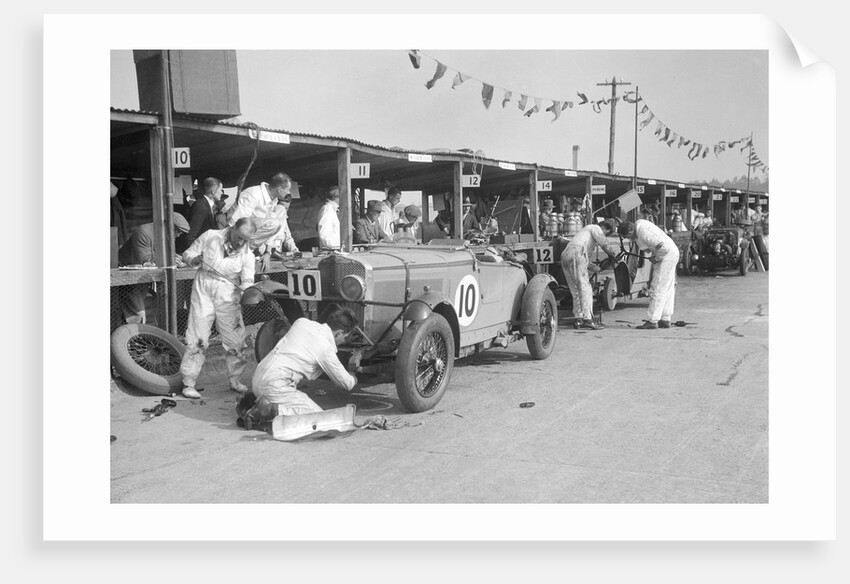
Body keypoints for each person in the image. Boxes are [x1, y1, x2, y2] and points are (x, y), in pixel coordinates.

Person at [238, 304, 359, 430]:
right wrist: (353, 374)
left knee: (307, 407)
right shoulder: (325, 348)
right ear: (340, 332)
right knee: (320, 419)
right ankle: (267, 412)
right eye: (345, 337)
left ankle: (252, 404)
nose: (343, 342)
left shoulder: (301, 323)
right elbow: (347, 383)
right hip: (276, 384)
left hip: (259, 375)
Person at [179, 218, 258, 399]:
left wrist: (246, 290)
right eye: (239, 237)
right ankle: (188, 383)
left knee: (235, 339)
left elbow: (247, 280)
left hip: (228, 292)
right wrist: (194, 259)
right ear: (232, 228)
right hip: (203, 286)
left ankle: (235, 380)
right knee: (198, 336)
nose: (240, 243)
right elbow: (187, 253)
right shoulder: (210, 236)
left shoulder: (248, 255)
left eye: (245, 240)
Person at [118, 213, 190, 324]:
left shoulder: (165, 235)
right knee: (137, 314)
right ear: (168, 225)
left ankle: (145, 337)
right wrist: (170, 259)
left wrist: (180, 258)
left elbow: (167, 253)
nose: (179, 235)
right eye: (178, 231)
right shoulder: (144, 232)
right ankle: (134, 338)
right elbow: (145, 259)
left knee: (150, 313)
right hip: (128, 280)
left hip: (143, 280)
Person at [617, 220, 680, 330]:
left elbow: (664, 248)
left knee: (658, 287)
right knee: (667, 288)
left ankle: (653, 320)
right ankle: (665, 319)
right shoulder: (639, 226)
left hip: (666, 255)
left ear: (631, 231)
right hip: (670, 253)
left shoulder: (644, 233)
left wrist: (656, 258)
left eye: (627, 236)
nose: (628, 239)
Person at [560, 221, 618, 330]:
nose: (604, 235)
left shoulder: (583, 236)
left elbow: (584, 261)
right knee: (585, 288)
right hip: (577, 254)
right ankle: (588, 319)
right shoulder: (595, 227)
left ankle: (578, 318)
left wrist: (599, 269)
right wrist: (612, 255)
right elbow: (604, 243)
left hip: (565, 255)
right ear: (604, 228)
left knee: (575, 290)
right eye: (606, 233)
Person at [228, 172, 289, 269]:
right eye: (287, 190)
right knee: (274, 223)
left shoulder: (274, 200)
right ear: (280, 189)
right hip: (235, 237)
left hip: (250, 240)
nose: (288, 193)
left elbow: (272, 231)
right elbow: (238, 222)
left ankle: (248, 252)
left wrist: (267, 253)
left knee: (275, 225)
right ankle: (239, 253)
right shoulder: (253, 194)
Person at [177, 177, 223, 254]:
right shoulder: (201, 206)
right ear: (213, 191)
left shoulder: (206, 205)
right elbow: (191, 235)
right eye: (220, 190)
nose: (222, 193)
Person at [317, 186, 341, 250]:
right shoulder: (327, 209)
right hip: (331, 251)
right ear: (337, 197)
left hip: (335, 249)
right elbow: (325, 236)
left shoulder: (333, 210)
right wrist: (338, 246)